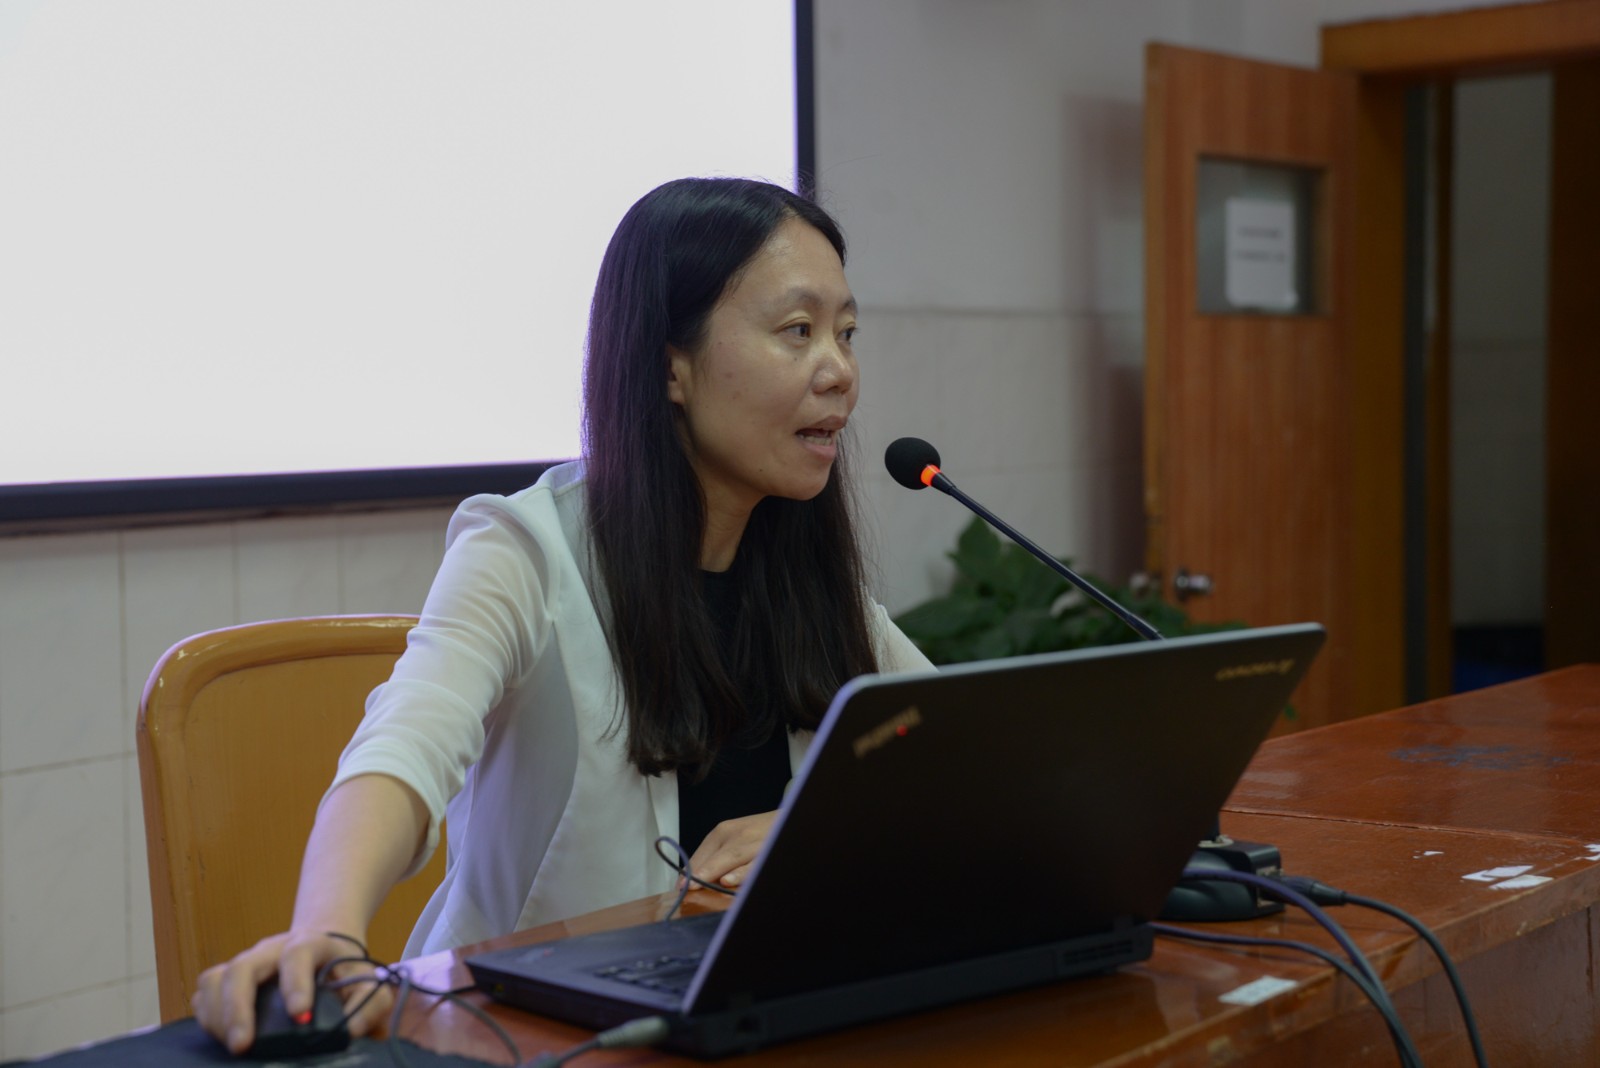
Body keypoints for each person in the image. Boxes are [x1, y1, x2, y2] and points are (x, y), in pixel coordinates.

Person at [192, 176, 934, 1053]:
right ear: (671, 365)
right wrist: (327, 929)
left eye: (846, 333)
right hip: (517, 1035)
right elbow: (403, 748)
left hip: (754, 1021)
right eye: (798, 331)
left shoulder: (804, 573)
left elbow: (948, 754)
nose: (840, 370)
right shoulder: (524, 549)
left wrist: (809, 833)